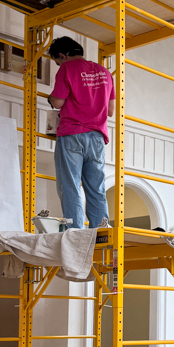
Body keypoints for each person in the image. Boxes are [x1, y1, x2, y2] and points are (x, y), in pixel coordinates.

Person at [48, 36, 115, 229]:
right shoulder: (105, 73)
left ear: (62, 56)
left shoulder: (67, 69)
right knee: (96, 188)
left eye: (57, 61)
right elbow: (110, 111)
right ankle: (101, 230)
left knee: (70, 186)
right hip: (96, 138)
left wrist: (52, 98)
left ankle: (75, 232)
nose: (59, 64)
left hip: (72, 134)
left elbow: (58, 102)